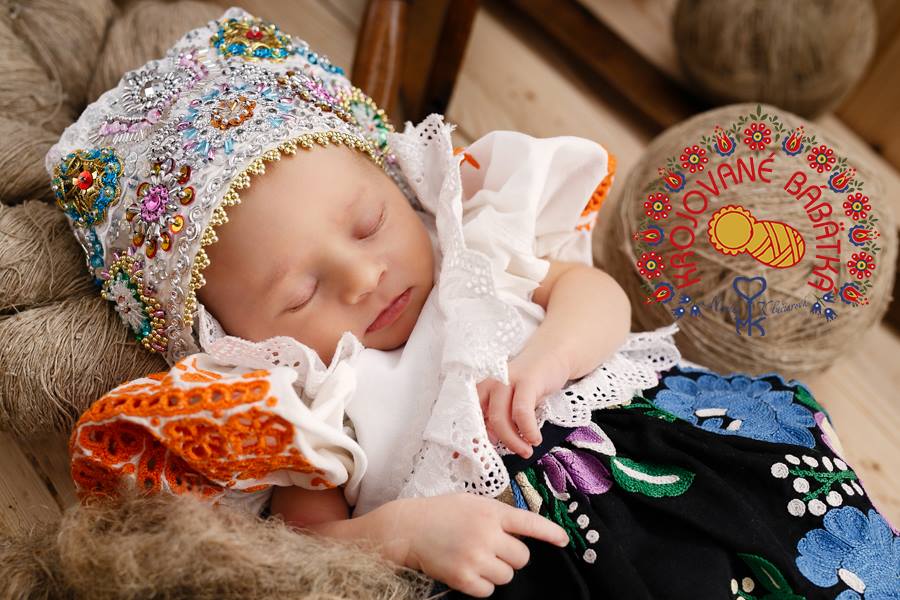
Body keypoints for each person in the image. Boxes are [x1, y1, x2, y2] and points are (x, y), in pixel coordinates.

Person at [53, 8, 898, 599]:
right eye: (301, 292)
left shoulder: (476, 253)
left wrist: (550, 356)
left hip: (670, 447)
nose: (361, 278)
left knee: (800, 539)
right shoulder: (304, 406)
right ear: (229, 338)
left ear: (399, 184)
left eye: (368, 223)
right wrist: (407, 535)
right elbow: (305, 541)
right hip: (534, 558)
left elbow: (596, 297)